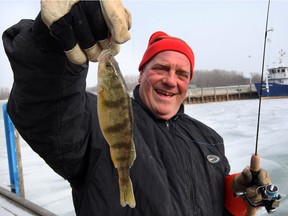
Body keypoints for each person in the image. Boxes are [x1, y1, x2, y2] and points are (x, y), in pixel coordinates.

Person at [2, 0, 273, 215]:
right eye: (160, 68)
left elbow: (211, 202)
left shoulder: (210, 140)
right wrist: (53, 42)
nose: (170, 79)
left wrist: (237, 193)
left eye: (181, 73)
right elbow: (46, 107)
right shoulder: (92, 122)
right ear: (141, 73)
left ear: (188, 83)